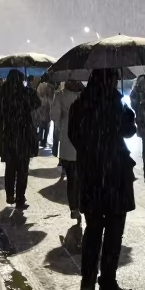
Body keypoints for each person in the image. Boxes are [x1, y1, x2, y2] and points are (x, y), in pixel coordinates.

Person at [69, 68, 137, 290]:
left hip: (91, 176)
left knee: (93, 228)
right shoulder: (115, 104)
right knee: (114, 232)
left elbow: (73, 136)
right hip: (116, 175)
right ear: (110, 80)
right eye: (115, 78)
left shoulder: (80, 105)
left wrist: (92, 153)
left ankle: (88, 278)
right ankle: (107, 282)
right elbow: (129, 132)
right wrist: (128, 116)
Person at [0, 69, 40, 209]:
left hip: (8, 135)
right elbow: (37, 103)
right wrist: (28, 92)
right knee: (23, 168)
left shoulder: (1, 94)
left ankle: (9, 195)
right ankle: (20, 198)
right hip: (24, 135)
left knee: (10, 167)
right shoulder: (27, 93)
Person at [51, 79, 85, 220]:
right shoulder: (85, 94)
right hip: (84, 140)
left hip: (68, 139)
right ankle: (82, 203)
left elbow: (54, 116)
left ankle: (74, 207)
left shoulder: (60, 95)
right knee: (83, 177)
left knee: (72, 178)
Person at [35, 76, 55, 151]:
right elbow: (53, 97)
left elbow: (38, 95)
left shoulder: (40, 86)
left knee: (41, 124)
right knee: (47, 126)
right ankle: (44, 141)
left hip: (41, 106)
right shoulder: (52, 87)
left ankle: (39, 138)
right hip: (49, 107)